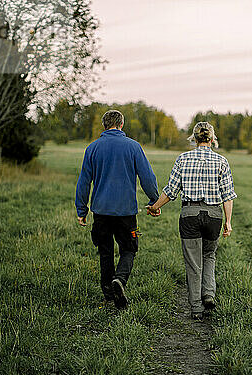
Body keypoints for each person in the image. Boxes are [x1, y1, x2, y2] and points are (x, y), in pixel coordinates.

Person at [147, 122, 237, 320]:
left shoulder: (183, 158)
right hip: (214, 215)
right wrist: (228, 222)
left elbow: (170, 191)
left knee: (193, 262)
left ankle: (196, 308)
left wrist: (155, 206)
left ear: (195, 139)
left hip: (189, 214)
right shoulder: (222, 161)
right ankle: (209, 294)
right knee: (209, 255)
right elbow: (227, 195)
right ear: (212, 139)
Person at [75, 110, 161, 309]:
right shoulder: (133, 146)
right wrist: (154, 201)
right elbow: (147, 177)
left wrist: (82, 210)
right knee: (130, 248)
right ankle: (120, 280)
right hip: (127, 214)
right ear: (121, 124)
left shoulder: (92, 148)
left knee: (105, 252)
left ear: (104, 125)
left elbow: (84, 182)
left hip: (100, 213)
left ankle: (108, 295)